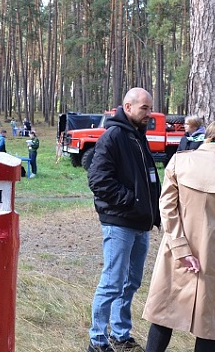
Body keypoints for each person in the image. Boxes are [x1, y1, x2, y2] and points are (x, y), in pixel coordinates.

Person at [142, 118, 215, 352]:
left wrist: (181, 248)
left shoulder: (180, 161)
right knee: (210, 324)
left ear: (208, 134)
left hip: (177, 246)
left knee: (164, 314)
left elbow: (167, 209)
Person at [86, 87, 161, 352]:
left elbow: (147, 179)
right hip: (119, 223)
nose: (149, 113)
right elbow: (98, 180)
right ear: (127, 107)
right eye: (144, 108)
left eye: (150, 108)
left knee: (131, 282)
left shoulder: (138, 136)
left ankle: (120, 334)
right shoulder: (114, 136)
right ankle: (97, 341)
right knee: (112, 282)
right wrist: (132, 201)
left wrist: (152, 211)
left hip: (140, 223)